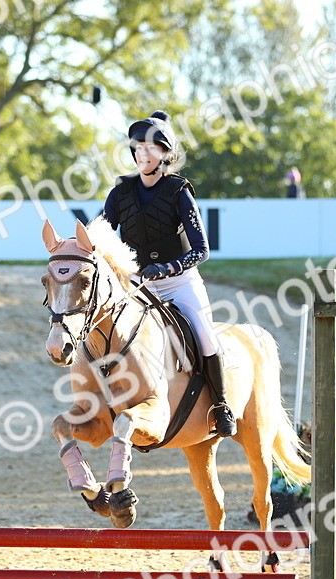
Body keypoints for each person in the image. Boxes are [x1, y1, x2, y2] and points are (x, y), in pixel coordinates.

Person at [101, 110, 236, 437]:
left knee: (205, 335)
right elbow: (101, 235)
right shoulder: (120, 192)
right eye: (137, 148)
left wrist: (167, 267)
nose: (141, 154)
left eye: (149, 148)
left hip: (179, 283)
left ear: (165, 153)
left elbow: (202, 249)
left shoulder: (178, 191)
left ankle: (221, 405)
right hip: (137, 285)